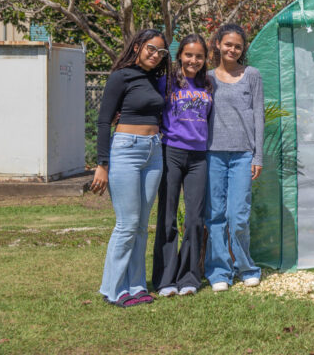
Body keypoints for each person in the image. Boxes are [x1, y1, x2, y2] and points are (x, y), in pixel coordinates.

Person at [90, 29, 170, 307]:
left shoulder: (156, 78)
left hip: (154, 151)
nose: (155, 55)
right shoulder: (120, 76)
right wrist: (102, 164)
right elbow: (102, 122)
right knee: (126, 224)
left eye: (161, 53)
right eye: (151, 48)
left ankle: (136, 286)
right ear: (137, 46)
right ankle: (113, 289)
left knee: (140, 226)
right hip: (126, 149)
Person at [152, 34, 213, 297]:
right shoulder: (165, 83)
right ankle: (165, 279)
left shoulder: (208, 85)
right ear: (180, 56)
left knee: (195, 219)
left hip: (198, 157)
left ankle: (189, 277)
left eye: (199, 56)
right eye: (189, 55)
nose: (194, 60)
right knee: (167, 217)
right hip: (171, 153)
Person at [204, 24, 264, 292]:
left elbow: (259, 116)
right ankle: (219, 272)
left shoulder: (252, 75)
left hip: (243, 155)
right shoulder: (206, 78)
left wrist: (257, 156)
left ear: (243, 49)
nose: (232, 49)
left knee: (238, 215)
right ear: (218, 44)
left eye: (238, 46)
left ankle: (246, 268)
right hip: (212, 154)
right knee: (215, 215)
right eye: (228, 44)